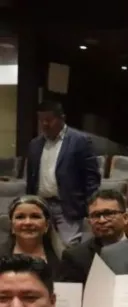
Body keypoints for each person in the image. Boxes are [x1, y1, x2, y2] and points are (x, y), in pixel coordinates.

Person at [24, 100, 101, 245]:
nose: (44, 124)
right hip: (40, 206)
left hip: (67, 206)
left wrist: (89, 206)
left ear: (62, 118)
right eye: (41, 120)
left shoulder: (80, 141)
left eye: (49, 120)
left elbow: (91, 178)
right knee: (37, 246)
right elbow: (31, 179)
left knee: (69, 249)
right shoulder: (35, 144)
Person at [58, 189, 128, 284]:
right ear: (89, 221)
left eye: (108, 214)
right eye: (96, 215)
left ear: (125, 218)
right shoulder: (75, 257)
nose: (102, 220)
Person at [0, 196, 64, 272]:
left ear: (46, 225)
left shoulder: (64, 258)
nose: (28, 222)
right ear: (12, 226)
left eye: (35, 217)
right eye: (20, 217)